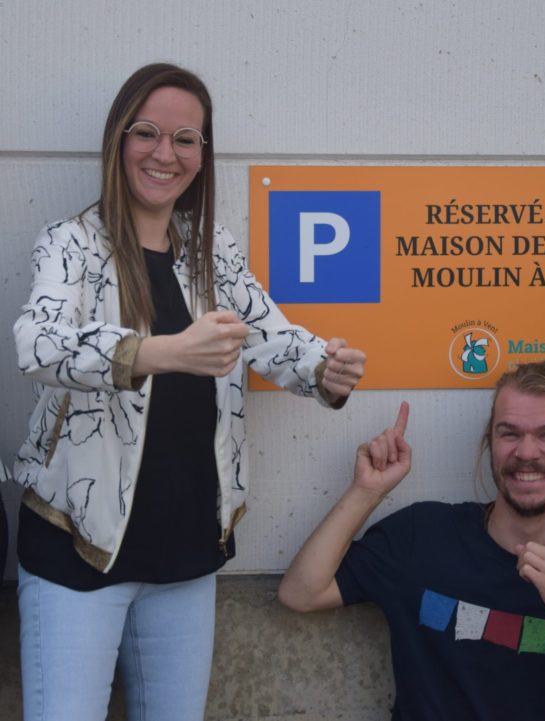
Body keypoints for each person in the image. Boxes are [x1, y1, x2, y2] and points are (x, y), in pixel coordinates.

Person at [12, 63, 366, 721]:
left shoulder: (211, 251)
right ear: (118, 141)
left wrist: (325, 370)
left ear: (203, 155)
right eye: (146, 133)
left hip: (184, 553)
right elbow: (36, 347)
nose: (163, 153)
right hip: (78, 550)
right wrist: (160, 352)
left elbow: (271, 336)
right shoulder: (71, 244)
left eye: (185, 138)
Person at [278, 360, 545, 721]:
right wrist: (365, 492)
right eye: (509, 433)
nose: (526, 452)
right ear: (490, 442)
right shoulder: (421, 534)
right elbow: (301, 593)